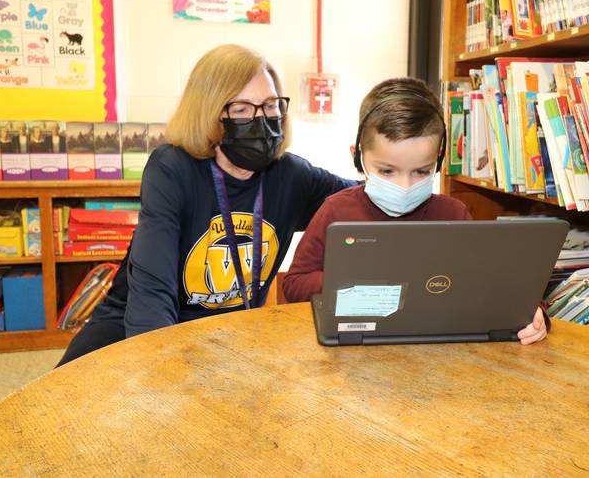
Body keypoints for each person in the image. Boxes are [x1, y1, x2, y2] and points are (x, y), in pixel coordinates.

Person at [57, 44, 355, 366]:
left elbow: (363, 201)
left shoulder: (292, 176)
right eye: (241, 110)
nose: (261, 120)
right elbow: (153, 293)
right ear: (209, 112)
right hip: (137, 326)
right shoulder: (172, 169)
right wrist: (158, 366)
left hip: (231, 332)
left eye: (270, 106)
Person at [281, 77, 549, 345]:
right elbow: (294, 284)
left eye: (422, 171)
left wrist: (535, 315)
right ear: (358, 156)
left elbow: (497, 281)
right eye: (387, 171)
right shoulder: (337, 210)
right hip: (355, 347)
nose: (404, 186)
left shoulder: (453, 214)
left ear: (439, 160)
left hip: (434, 349)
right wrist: (353, 282)